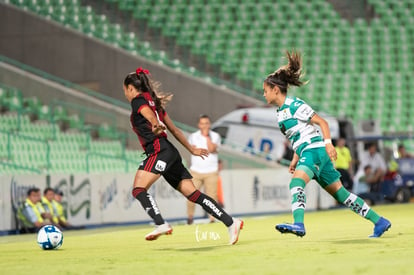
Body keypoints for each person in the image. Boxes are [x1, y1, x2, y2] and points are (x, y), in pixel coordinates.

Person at [262, 51, 391, 238]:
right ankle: (379, 221)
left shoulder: (294, 105)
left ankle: (299, 224)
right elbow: (299, 135)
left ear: (275, 89)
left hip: (315, 151)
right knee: (341, 195)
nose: (263, 94)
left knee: (296, 183)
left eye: (265, 90)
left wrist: (329, 144)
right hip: (308, 152)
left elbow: (322, 122)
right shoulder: (281, 113)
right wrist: (295, 159)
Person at [123, 67, 243, 244]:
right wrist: (191, 149)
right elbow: (175, 130)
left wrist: (155, 124)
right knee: (193, 194)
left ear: (131, 88)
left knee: (138, 189)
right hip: (170, 152)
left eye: (124, 90)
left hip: (159, 151)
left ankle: (160, 223)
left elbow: (147, 115)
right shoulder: (155, 103)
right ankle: (231, 222)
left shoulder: (137, 101)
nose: (125, 93)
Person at [186, 114, 221, 224]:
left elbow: (211, 149)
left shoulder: (215, 136)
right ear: (199, 125)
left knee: (212, 196)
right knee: (191, 194)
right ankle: (190, 218)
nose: (204, 126)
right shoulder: (193, 136)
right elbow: (192, 150)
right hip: (196, 171)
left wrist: (207, 137)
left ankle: (212, 218)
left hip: (211, 171)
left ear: (209, 124)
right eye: (202, 123)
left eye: (206, 123)